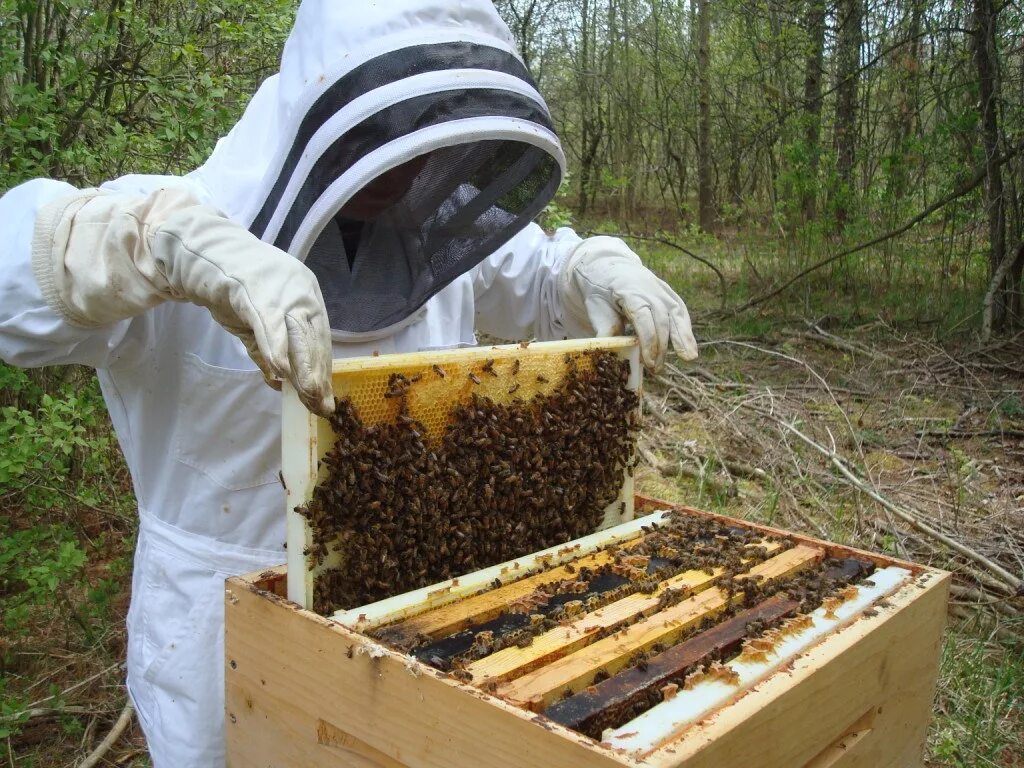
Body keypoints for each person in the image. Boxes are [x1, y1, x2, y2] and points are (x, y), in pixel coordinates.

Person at [0, 1, 698, 765]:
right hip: (219, 658)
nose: (394, 163)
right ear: (312, 113)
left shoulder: (433, 230)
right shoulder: (178, 224)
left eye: (415, 126)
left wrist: (585, 267)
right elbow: (14, 282)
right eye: (372, 127)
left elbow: (534, 271)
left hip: (416, 624)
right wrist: (143, 251)